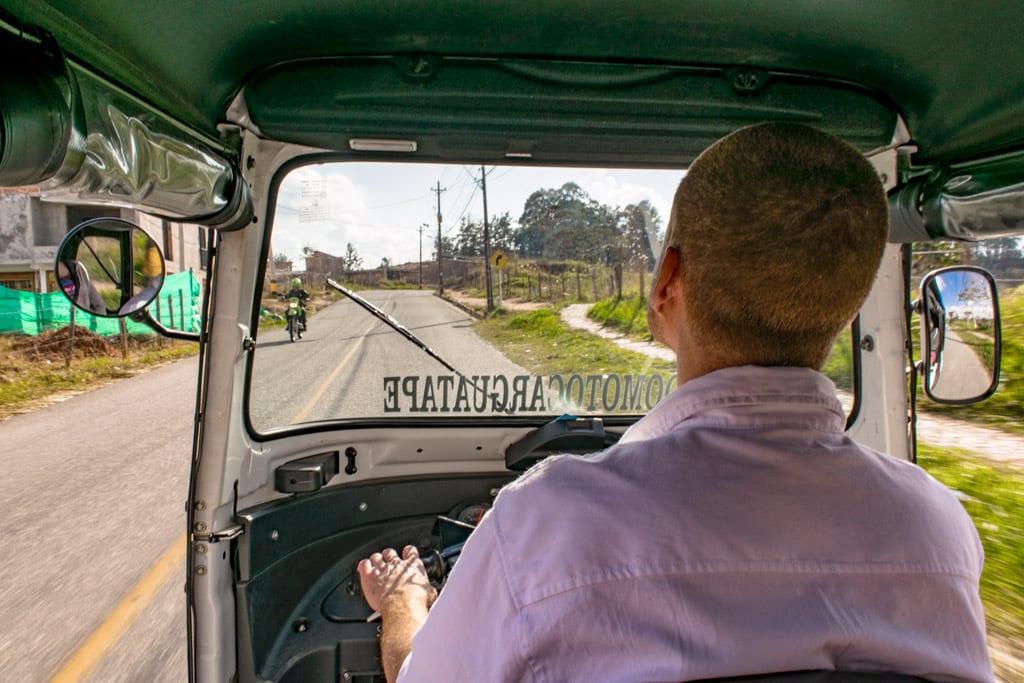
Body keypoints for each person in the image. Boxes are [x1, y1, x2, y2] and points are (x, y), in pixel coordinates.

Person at [357, 123, 993, 682]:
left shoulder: (545, 527)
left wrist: (403, 602)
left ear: (666, 282)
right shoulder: (935, 531)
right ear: (850, 305)